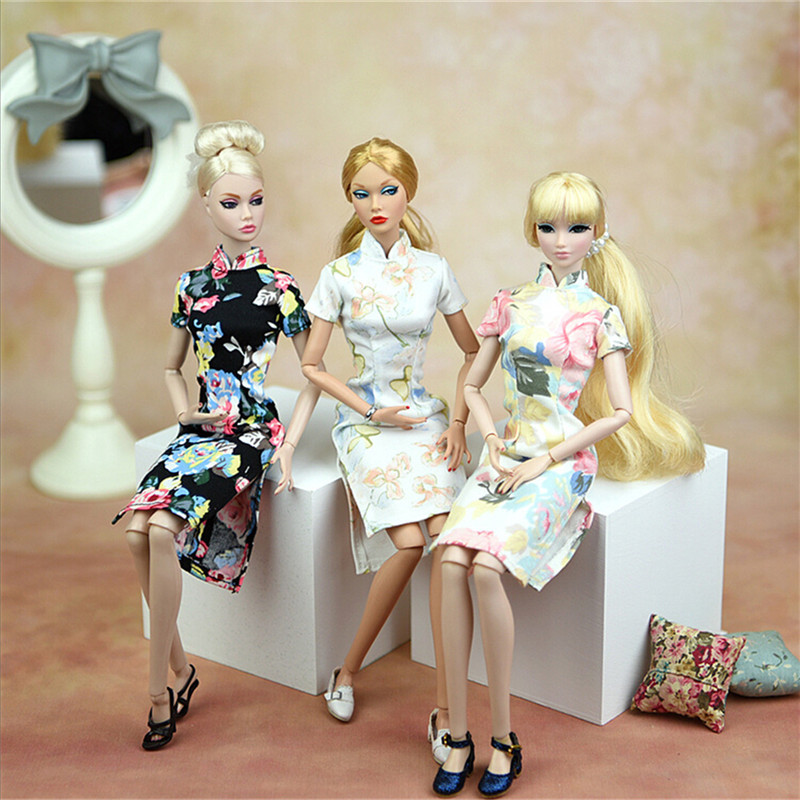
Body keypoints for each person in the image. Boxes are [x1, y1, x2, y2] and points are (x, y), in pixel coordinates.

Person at [431, 171, 705, 797]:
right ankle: (458, 733)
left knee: (485, 569)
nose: (561, 240)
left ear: (596, 233)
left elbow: (620, 412)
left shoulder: (599, 315)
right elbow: (472, 383)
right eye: (549, 227)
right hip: (506, 454)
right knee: (448, 561)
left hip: (559, 463)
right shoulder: (510, 303)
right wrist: (489, 438)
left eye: (577, 228)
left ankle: (504, 737)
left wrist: (545, 460)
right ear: (532, 231)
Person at [112, 120, 319, 750]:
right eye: (231, 203)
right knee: (137, 532)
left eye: (256, 200)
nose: (246, 214)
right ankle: (181, 669)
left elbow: (312, 374)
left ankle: (157, 694)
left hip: (250, 432)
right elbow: (171, 368)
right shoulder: (192, 285)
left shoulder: (280, 288)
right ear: (206, 204)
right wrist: (183, 413)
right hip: (202, 429)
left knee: (162, 531)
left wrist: (287, 445)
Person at [301, 138, 479, 761]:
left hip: (425, 419)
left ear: (408, 193)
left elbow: (473, 351)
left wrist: (459, 423)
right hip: (367, 423)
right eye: (361, 193)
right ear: (349, 199)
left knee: (446, 542)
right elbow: (312, 365)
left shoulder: (433, 269)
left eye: (388, 190)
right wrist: (368, 410)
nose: (375, 203)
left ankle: (446, 710)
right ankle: (347, 669)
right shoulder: (338, 275)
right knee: (408, 544)